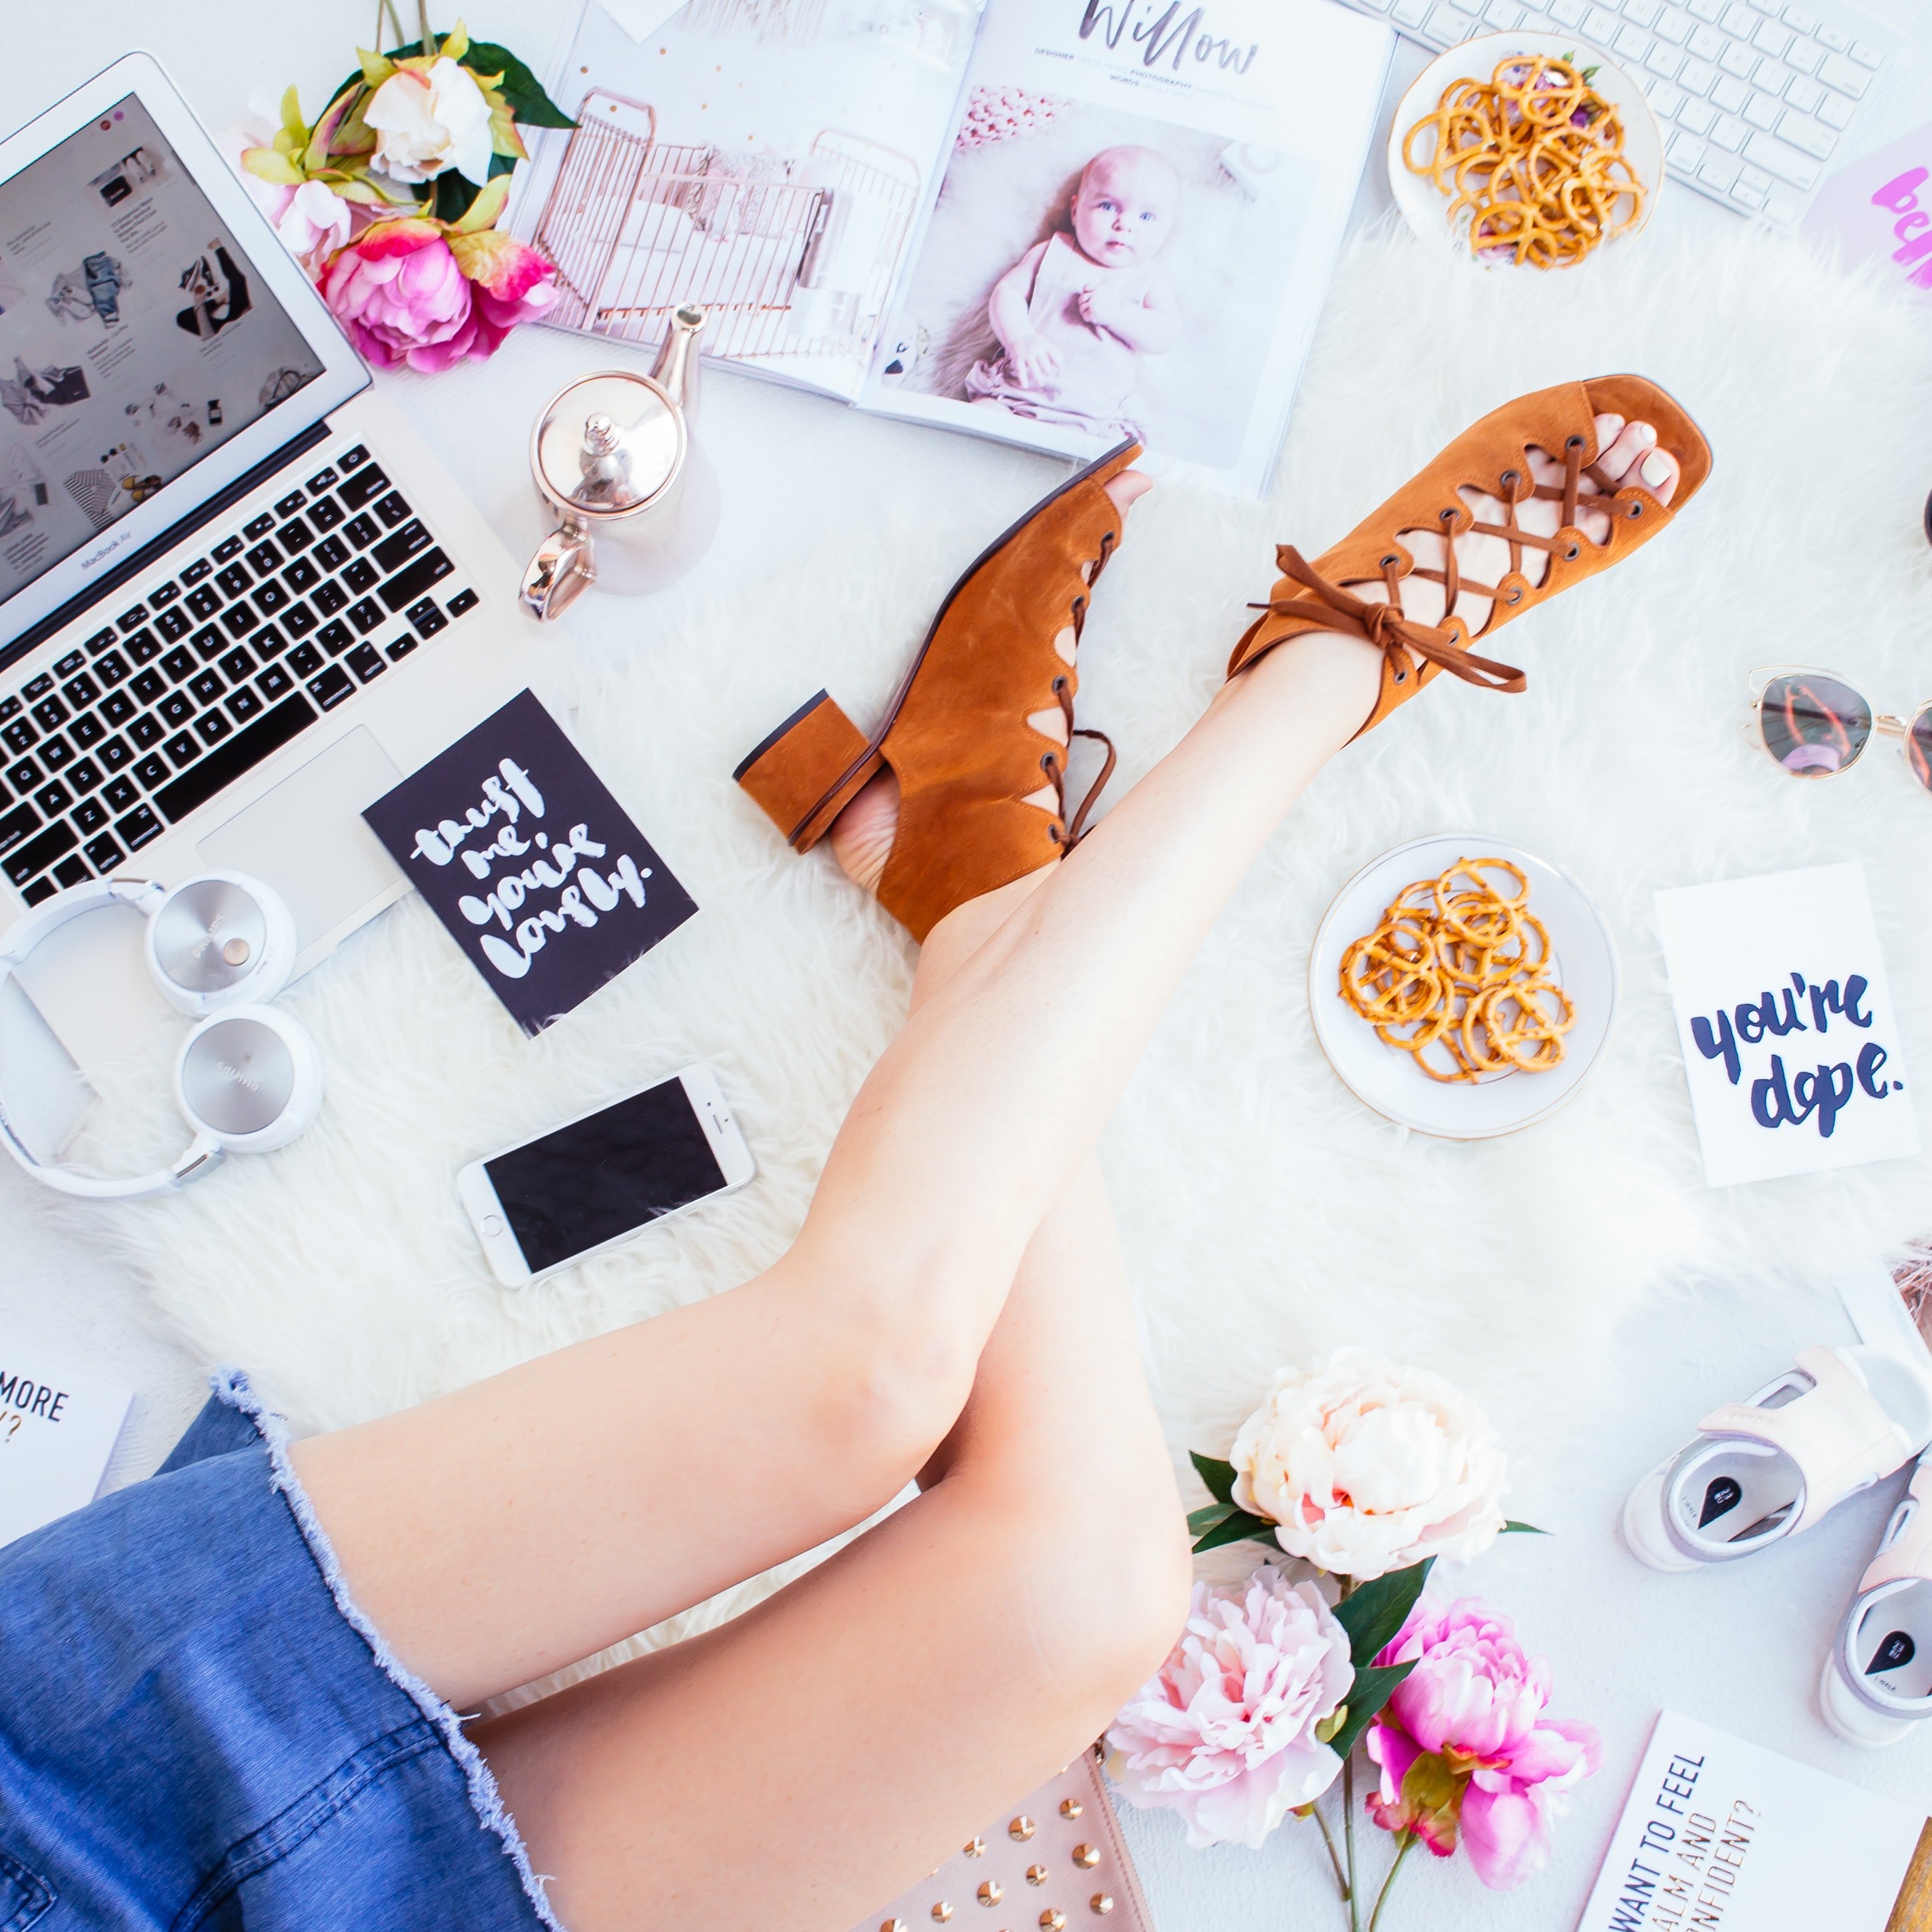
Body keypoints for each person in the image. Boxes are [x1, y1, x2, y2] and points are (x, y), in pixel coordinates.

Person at [0, 379, 1706, 1931]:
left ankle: (1314, 678)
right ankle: (970, 898)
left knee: (865, 1374)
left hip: (54, 1823)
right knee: (1087, 1600)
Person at [966, 144, 1183, 443]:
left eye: (1146, 217)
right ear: (1075, 209)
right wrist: (1020, 339)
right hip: (1019, 399)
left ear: (1166, 228)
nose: (1125, 225)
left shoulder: (1151, 277)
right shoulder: (1053, 251)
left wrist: (1117, 314)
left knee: (1119, 458)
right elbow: (1007, 293)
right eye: (1108, 207)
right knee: (979, 418)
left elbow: (1165, 334)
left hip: (1095, 418)